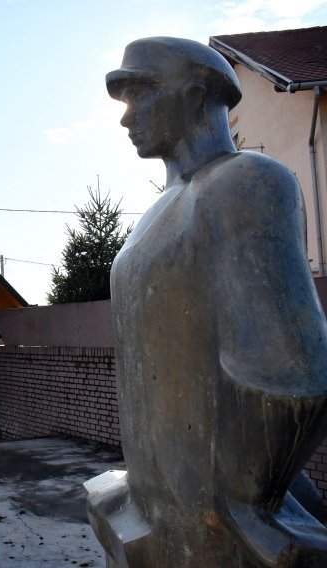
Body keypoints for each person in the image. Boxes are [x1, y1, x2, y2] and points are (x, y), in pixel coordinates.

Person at [85, 36, 327, 567]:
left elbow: (293, 377)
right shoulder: (158, 211)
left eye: (140, 94)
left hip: (211, 525)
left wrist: (242, 502)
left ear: (196, 96)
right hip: (159, 513)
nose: (127, 118)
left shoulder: (246, 183)